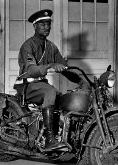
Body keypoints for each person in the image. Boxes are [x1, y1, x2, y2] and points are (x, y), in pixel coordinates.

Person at [17, 9, 80, 151]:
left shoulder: (51, 47)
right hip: (26, 85)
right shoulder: (28, 46)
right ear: (35, 26)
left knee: (62, 97)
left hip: (40, 85)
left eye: (48, 24)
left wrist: (81, 81)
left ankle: (60, 134)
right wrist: (51, 65)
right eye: (43, 24)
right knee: (50, 92)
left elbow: (64, 67)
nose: (47, 27)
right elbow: (31, 70)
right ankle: (49, 140)